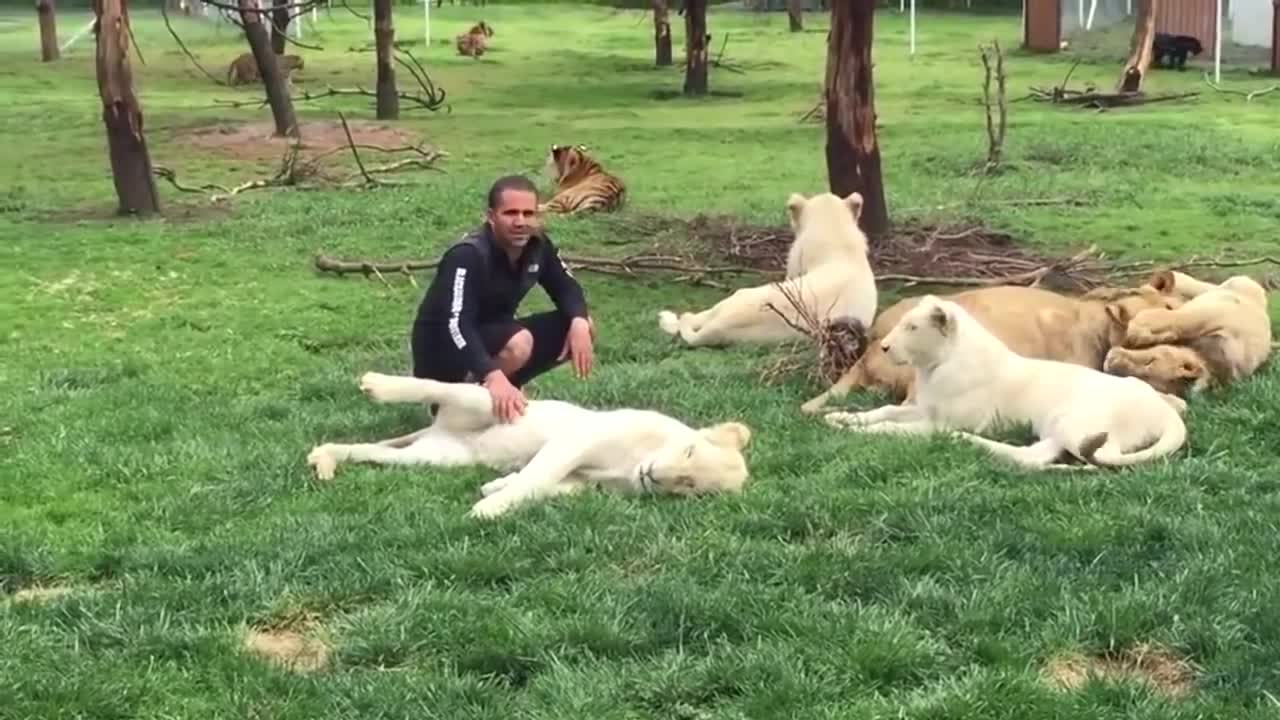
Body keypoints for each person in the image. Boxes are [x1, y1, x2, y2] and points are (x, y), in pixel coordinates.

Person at [409, 175, 595, 423]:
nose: (521, 222)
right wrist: (492, 374)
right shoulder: (468, 255)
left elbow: (566, 286)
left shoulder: (538, 247)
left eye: (528, 214)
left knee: (580, 323)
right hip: (444, 350)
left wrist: (579, 322)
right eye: (511, 213)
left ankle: (502, 389)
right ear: (491, 216)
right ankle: (456, 405)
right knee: (518, 344)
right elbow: (456, 324)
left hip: (492, 335)